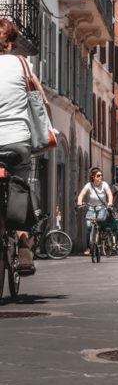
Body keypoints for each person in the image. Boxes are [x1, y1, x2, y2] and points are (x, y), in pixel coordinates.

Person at [0, 18, 51, 274]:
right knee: (19, 187)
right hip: (17, 140)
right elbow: (41, 101)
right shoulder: (22, 63)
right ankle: (23, 245)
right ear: (10, 44)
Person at [77, 167, 113, 254]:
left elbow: (109, 194)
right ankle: (88, 247)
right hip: (91, 208)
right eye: (98, 175)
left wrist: (110, 202)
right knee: (89, 226)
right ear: (93, 177)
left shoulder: (104, 184)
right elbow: (81, 195)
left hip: (102, 207)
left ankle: (104, 232)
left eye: (101, 175)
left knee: (101, 220)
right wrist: (79, 202)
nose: (100, 177)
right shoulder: (88, 185)